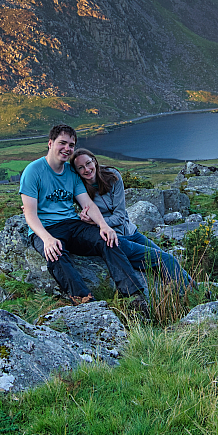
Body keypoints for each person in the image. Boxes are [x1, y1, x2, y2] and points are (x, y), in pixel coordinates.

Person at [19, 125, 148, 304]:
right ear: (50, 143)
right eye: (62, 143)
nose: (67, 148)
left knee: (107, 240)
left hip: (72, 224)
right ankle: (85, 301)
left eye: (71, 145)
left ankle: (133, 296)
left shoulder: (71, 173)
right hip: (46, 228)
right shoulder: (33, 172)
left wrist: (104, 225)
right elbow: (30, 214)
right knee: (56, 254)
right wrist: (47, 239)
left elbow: (87, 203)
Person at [70, 148, 192, 290]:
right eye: (80, 168)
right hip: (115, 239)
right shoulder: (79, 189)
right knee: (166, 260)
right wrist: (82, 218)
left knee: (168, 259)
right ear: (76, 171)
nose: (86, 169)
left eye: (88, 163)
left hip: (130, 231)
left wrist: (96, 222)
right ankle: (188, 294)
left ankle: (194, 288)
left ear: (95, 161)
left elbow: (120, 217)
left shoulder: (112, 176)